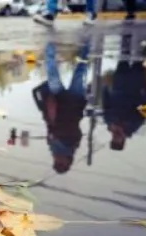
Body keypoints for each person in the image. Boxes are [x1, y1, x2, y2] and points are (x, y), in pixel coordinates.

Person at [32, 39, 90, 174]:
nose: (57, 160)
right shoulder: (71, 145)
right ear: (67, 161)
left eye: (56, 162)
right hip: (73, 103)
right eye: (60, 162)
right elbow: (72, 130)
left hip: (59, 101)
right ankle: (87, 46)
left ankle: (50, 42)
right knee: (80, 71)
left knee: (53, 71)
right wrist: (55, 135)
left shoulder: (54, 147)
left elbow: (50, 125)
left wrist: (47, 110)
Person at [104, 36, 146, 151]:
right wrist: (145, 92)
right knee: (138, 62)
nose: (115, 137)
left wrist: (105, 89)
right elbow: (143, 110)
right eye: (117, 140)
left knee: (123, 58)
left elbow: (106, 104)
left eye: (113, 139)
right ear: (123, 140)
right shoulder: (133, 126)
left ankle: (127, 36)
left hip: (119, 86)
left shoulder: (109, 123)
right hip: (134, 89)